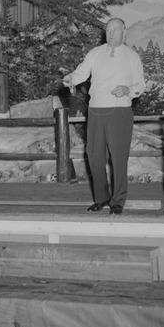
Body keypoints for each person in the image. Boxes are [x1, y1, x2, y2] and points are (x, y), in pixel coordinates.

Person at [62, 18, 145, 215]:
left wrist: (127, 89)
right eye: (108, 30)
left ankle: (117, 201)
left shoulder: (132, 57)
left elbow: (140, 85)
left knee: (118, 158)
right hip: (96, 111)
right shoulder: (95, 53)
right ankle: (101, 198)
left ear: (124, 33)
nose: (111, 33)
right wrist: (71, 79)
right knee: (94, 156)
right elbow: (81, 72)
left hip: (119, 112)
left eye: (116, 30)